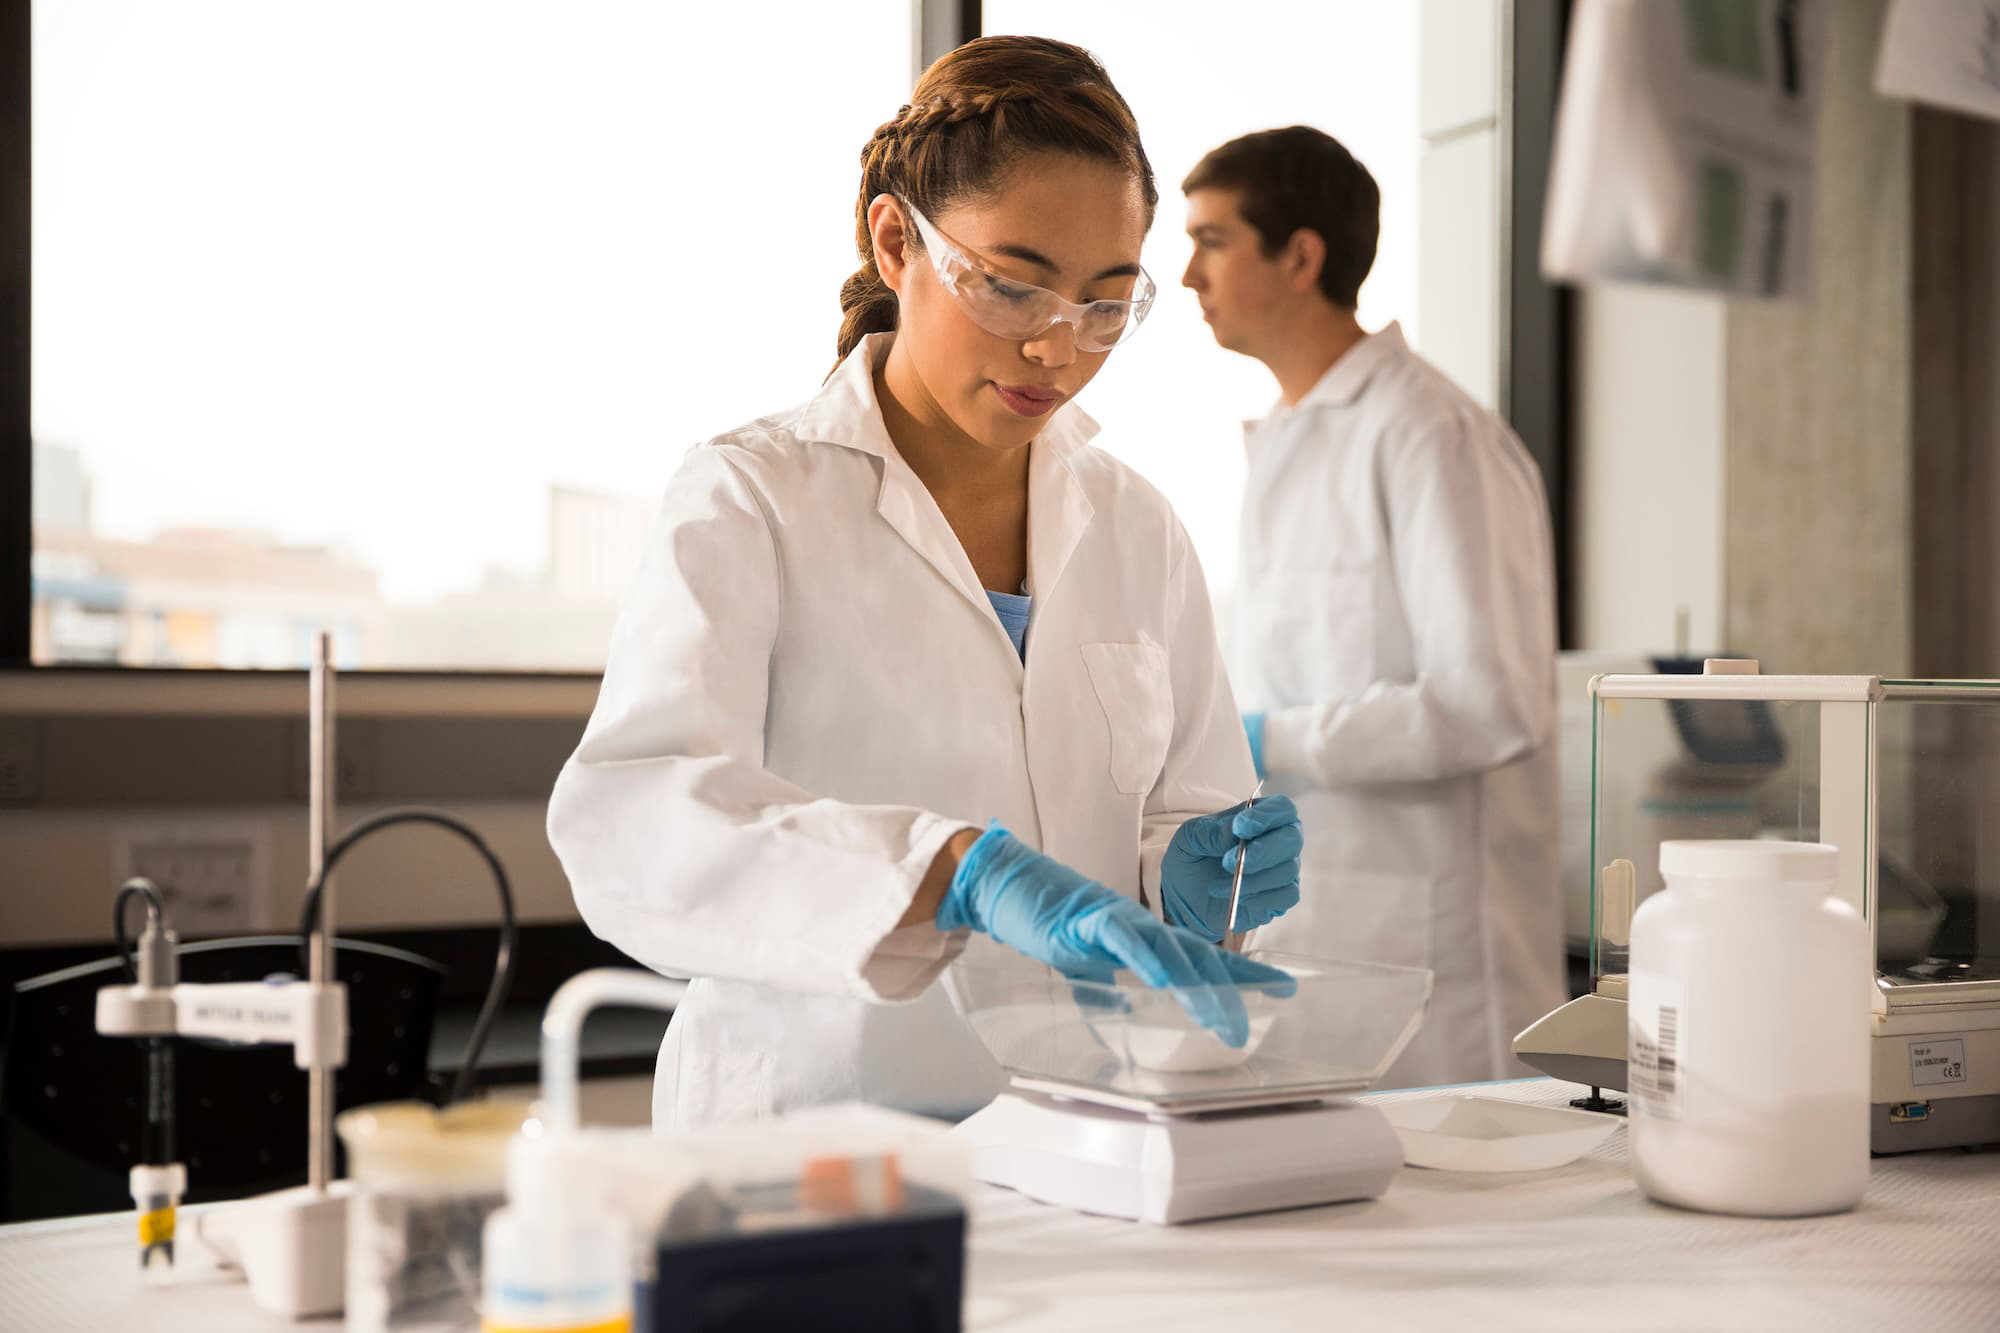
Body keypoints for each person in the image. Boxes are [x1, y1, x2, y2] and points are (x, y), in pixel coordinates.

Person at [547, 38, 1303, 1126]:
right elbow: (638, 825)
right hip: (812, 1142)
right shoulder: (751, 498)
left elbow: (1181, 818)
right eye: (1011, 286)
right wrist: (948, 871)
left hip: (1080, 1143)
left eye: (1105, 304)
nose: (1058, 347)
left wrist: (1187, 877)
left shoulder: (1136, 528)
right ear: (895, 238)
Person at [1179, 126, 1561, 1086]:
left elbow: (1492, 704)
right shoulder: (1291, 442)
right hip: (1319, 938)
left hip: (1438, 976)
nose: (1188, 275)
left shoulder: (1430, 437)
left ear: (1300, 256)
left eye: (1213, 240)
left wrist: (1276, 738)